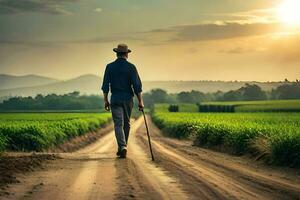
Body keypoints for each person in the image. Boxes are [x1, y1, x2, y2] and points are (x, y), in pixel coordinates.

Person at [101, 44, 144, 158]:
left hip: (115, 98)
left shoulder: (109, 67)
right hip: (127, 99)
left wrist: (105, 100)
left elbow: (105, 85)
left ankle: (122, 146)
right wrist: (140, 101)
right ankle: (123, 146)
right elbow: (137, 86)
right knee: (126, 123)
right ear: (126, 54)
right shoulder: (131, 67)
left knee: (118, 124)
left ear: (116, 54)